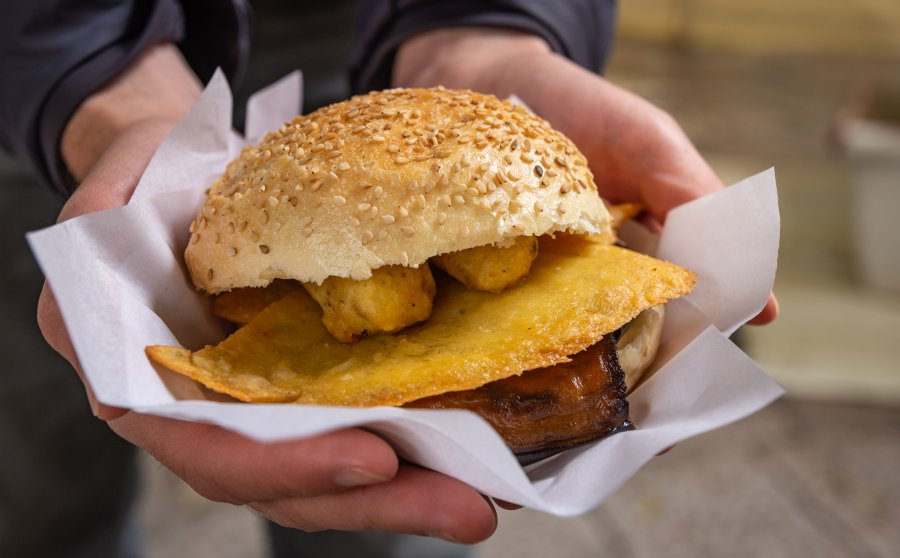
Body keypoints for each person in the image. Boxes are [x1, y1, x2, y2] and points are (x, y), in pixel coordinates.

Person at [1, 1, 779, 556]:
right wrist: (94, 78)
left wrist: (484, 32)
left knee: (394, 545)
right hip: (48, 79)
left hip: (358, 23)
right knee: (38, 500)